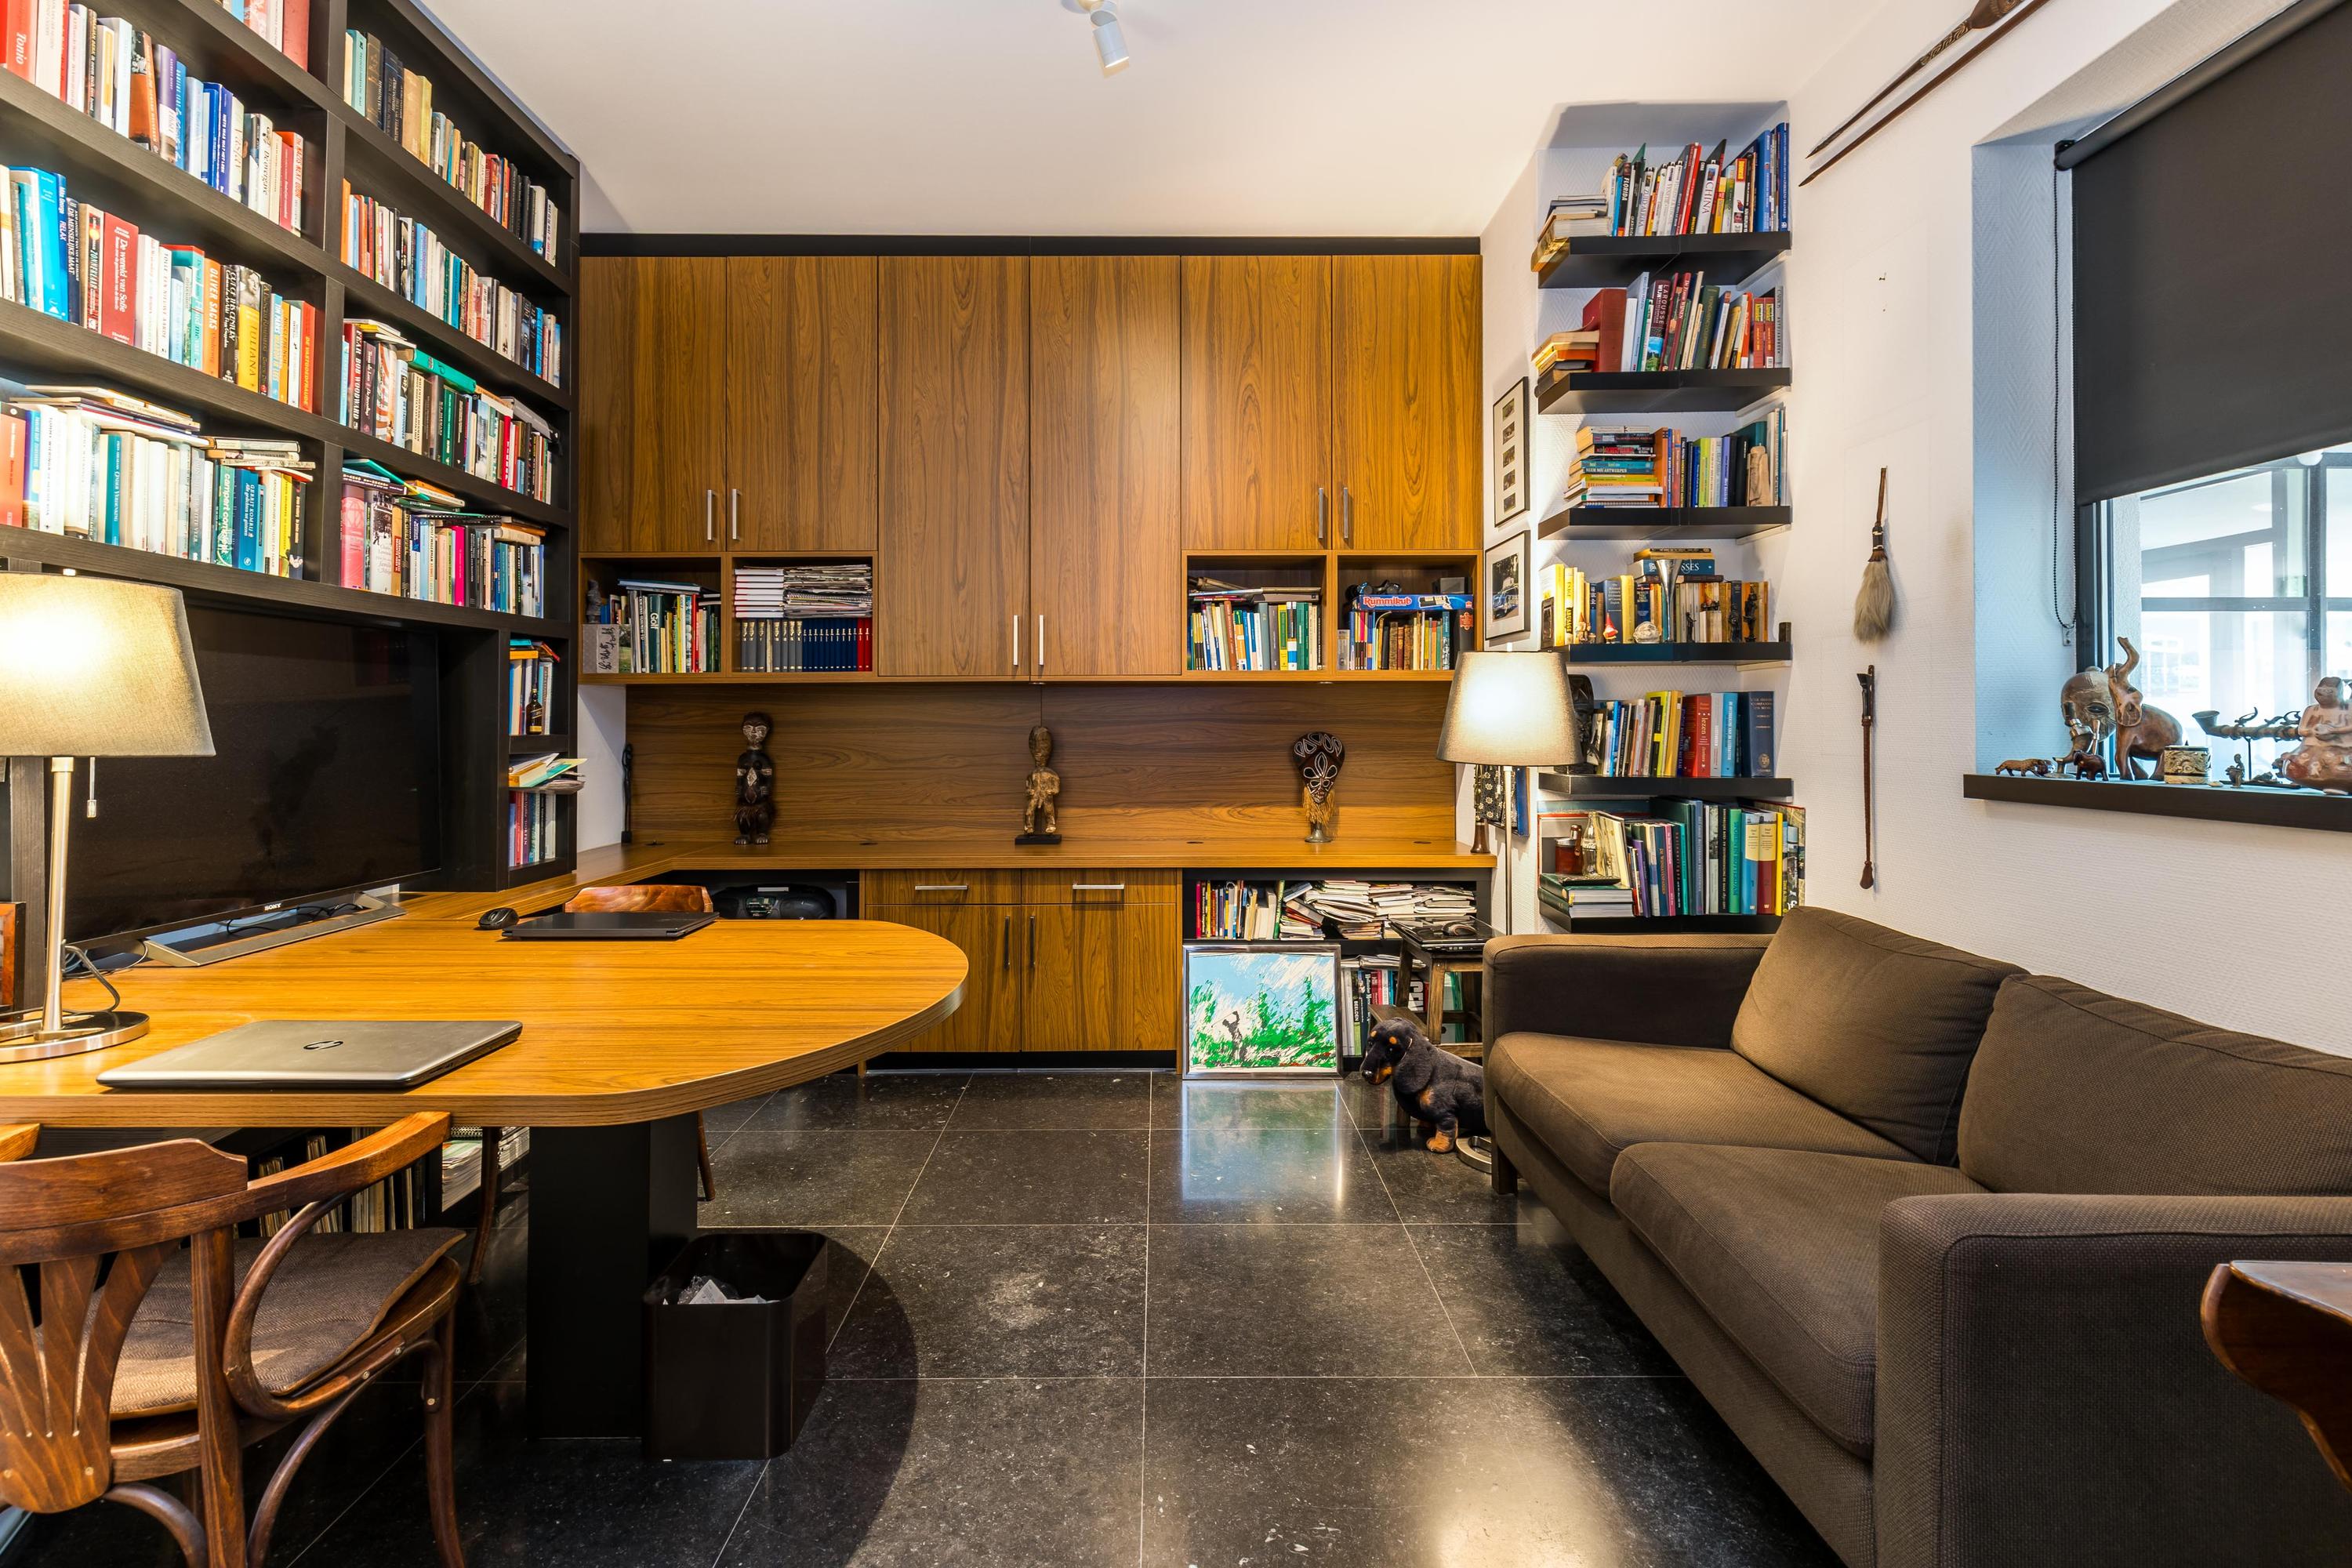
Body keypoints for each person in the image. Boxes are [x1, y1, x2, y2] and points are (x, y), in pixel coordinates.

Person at [2280, 676, 2352, 788]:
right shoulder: (2312, 709)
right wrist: (2313, 730)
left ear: (2339, 692)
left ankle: (2339, 785)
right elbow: (2301, 730)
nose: (2324, 696)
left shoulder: (2348, 707)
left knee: (2340, 764)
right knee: (2296, 764)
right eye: (2320, 691)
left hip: (2343, 746)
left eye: (2329, 691)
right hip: (2312, 746)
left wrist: (2333, 730)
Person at [1021, 724, 1061, 839]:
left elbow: (1056, 787)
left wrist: (1052, 791)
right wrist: (1029, 791)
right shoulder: (1032, 774)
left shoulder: (1051, 773)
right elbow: (1027, 786)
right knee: (1029, 811)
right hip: (1035, 796)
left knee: (1049, 811)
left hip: (1046, 795)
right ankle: (1029, 827)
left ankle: (1051, 825)